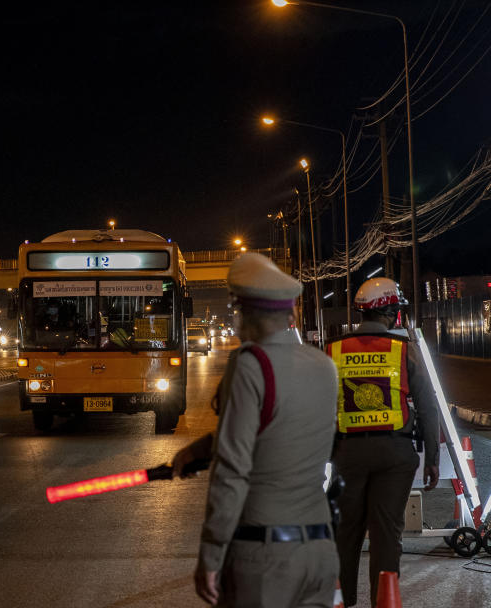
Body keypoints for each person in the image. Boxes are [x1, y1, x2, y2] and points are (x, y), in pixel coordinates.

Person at [172, 252, 339, 607]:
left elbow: (232, 470)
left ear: (242, 313)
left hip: (265, 558)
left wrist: (211, 554)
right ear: (289, 312)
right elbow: (280, 431)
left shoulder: (250, 364)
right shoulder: (323, 365)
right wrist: (203, 449)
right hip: (320, 552)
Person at [326, 278, 439, 607]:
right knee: (386, 534)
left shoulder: (332, 350)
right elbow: (428, 407)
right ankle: (383, 602)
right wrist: (432, 456)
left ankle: (341, 601)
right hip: (395, 455)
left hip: (347, 455)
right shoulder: (404, 349)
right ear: (390, 311)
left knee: (345, 534)